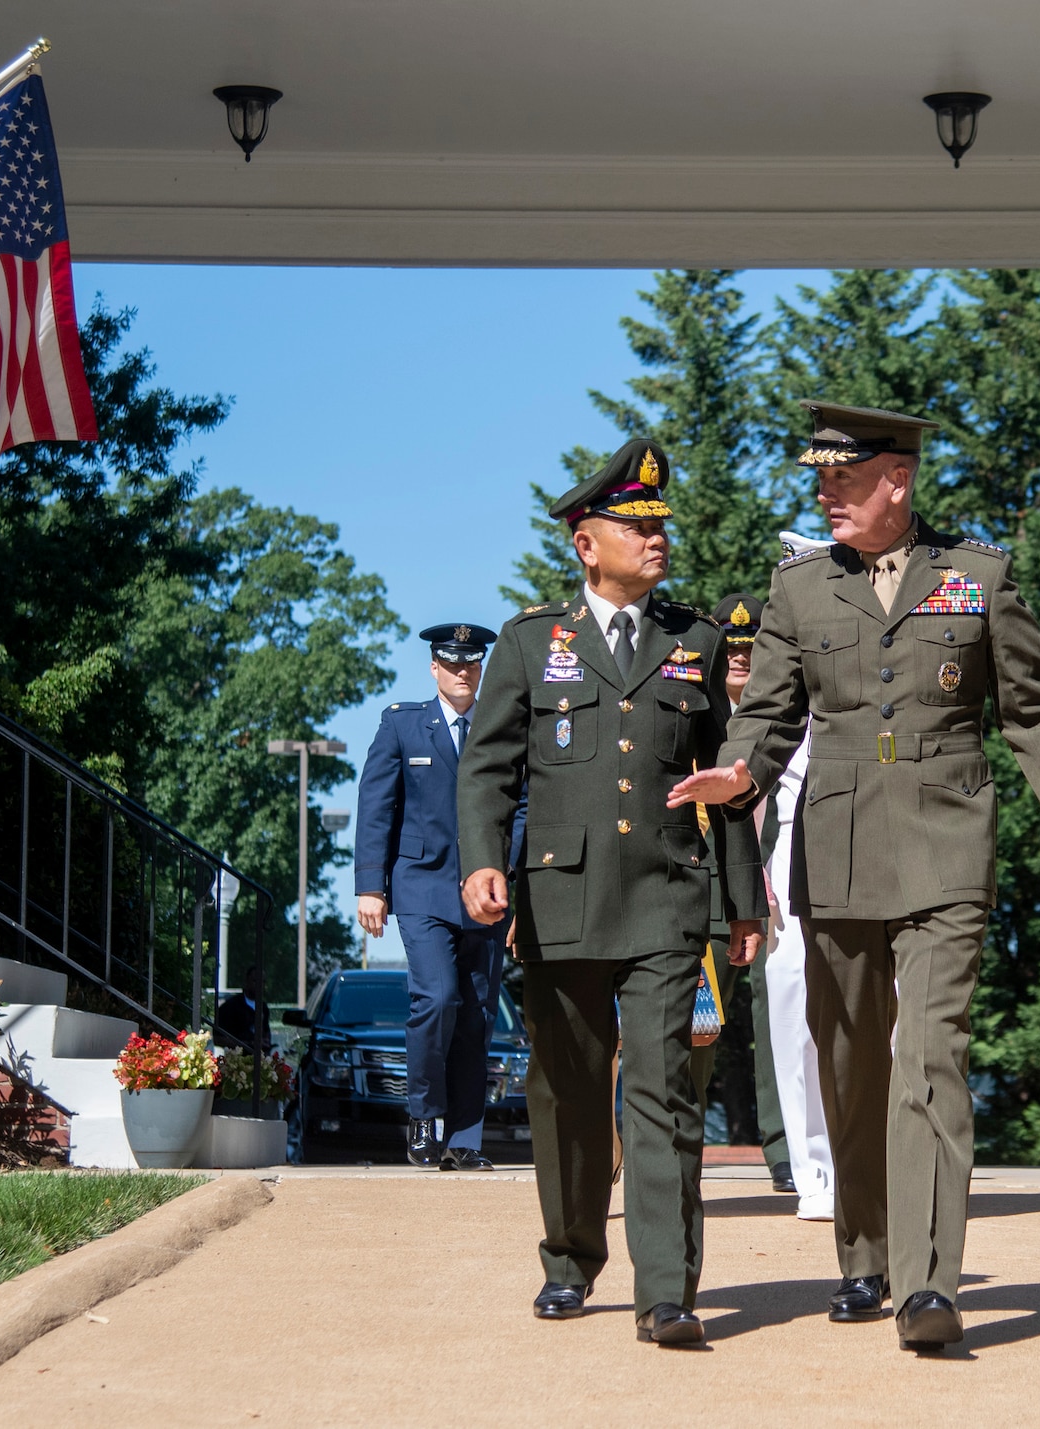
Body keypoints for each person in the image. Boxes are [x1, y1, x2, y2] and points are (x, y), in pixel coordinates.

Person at [669, 402, 1040, 1352]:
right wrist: (739, 774)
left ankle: (927, 1284)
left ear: (896, 480)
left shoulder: (977, 577)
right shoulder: (800, 588)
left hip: (947, 846)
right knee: (850, 1066)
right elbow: (767, 716)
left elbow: (1035, 710)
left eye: (843, 480)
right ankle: (863, 1255)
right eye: (820, 479)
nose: (825, 494)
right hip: (840, 848)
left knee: (929, 1059)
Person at [457, 438, 765, 1348]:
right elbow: (487, 771)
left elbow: (729, 781)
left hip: (671, 898)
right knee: (571, 1088)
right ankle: (570, 1257)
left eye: (661, 523)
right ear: (586, 544)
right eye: (636, 526)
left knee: (666, 1091)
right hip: (558, 903)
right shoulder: (528, 643)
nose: (657, 537)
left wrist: (740, 899)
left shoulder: (696, 640)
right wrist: (482, 861)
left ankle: (667, 1289)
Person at [355, 621, 511, 1172]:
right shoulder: (403, 725)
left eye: (472, 661)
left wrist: (514, 884)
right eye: (452, 661)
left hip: (486, 893)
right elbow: (377, 806)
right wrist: (371, 887)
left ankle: (465, 1138)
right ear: (434, 667)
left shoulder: (500, 728)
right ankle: (425, 1115)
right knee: (438, 998)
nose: (464, 670)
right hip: (420, 885)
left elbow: (520, 810)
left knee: (478, 1014)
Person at [726, 558, 840, 1223]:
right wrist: (753, 883)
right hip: (790, 853)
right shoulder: (770, 694)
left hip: (864, 838)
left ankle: (869, 1162)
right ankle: (812, 1171)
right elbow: (747, 797)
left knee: (877, 1014)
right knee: (793, 1008)